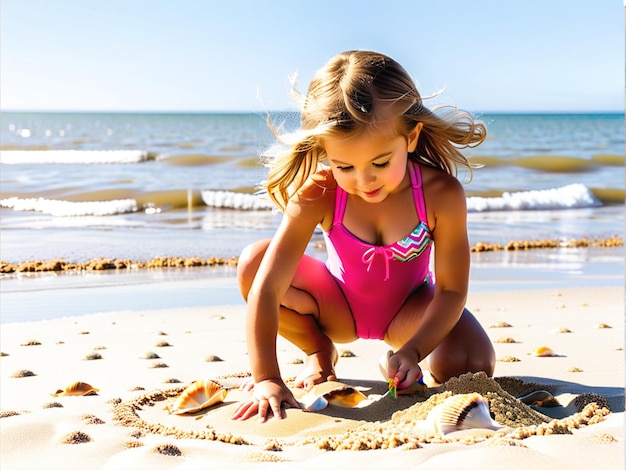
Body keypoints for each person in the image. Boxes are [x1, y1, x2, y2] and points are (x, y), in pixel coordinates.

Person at [232, 50, 495, 423]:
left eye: (380, 162)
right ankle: (320, 353)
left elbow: (451, 291)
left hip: (409, 313)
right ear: (325, 153)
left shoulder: (440, 194)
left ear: (411, 135)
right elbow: (267, 287)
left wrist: (414, 351)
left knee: (471, 365)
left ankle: (397, 360)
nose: (364, 180)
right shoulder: (319, 193)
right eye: (345, 166)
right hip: (337, 308)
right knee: (253, 264)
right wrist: (267, 378)